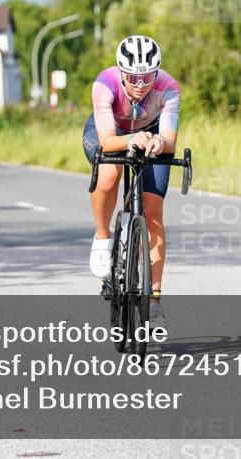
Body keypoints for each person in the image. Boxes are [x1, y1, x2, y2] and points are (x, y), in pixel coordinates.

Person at [82, 35, 180, 329]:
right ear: (122, 72)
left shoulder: (169, 88)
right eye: (134, 77)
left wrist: (158, 141)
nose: (140, 83)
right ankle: (102, 237)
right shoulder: (104, 83)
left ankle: (154, 300)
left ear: (157, 71)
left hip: (150, 134)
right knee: (110, 173)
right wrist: (131, 139)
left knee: (153, 213)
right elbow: (108, 140)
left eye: (147, 76)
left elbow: (170, 141)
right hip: (111, 131)